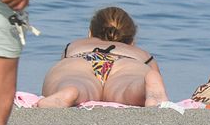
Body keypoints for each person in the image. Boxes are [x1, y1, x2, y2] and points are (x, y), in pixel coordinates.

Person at [37, 7, 169, 108]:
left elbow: (63, 65)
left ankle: (70, 90)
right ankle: (142, 88)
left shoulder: (75, 45)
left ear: (90, 33)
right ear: (132, 41)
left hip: (82, 58)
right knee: (126, 89)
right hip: (127, 62)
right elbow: (159, 77)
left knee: (77, 81)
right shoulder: (142, 53)